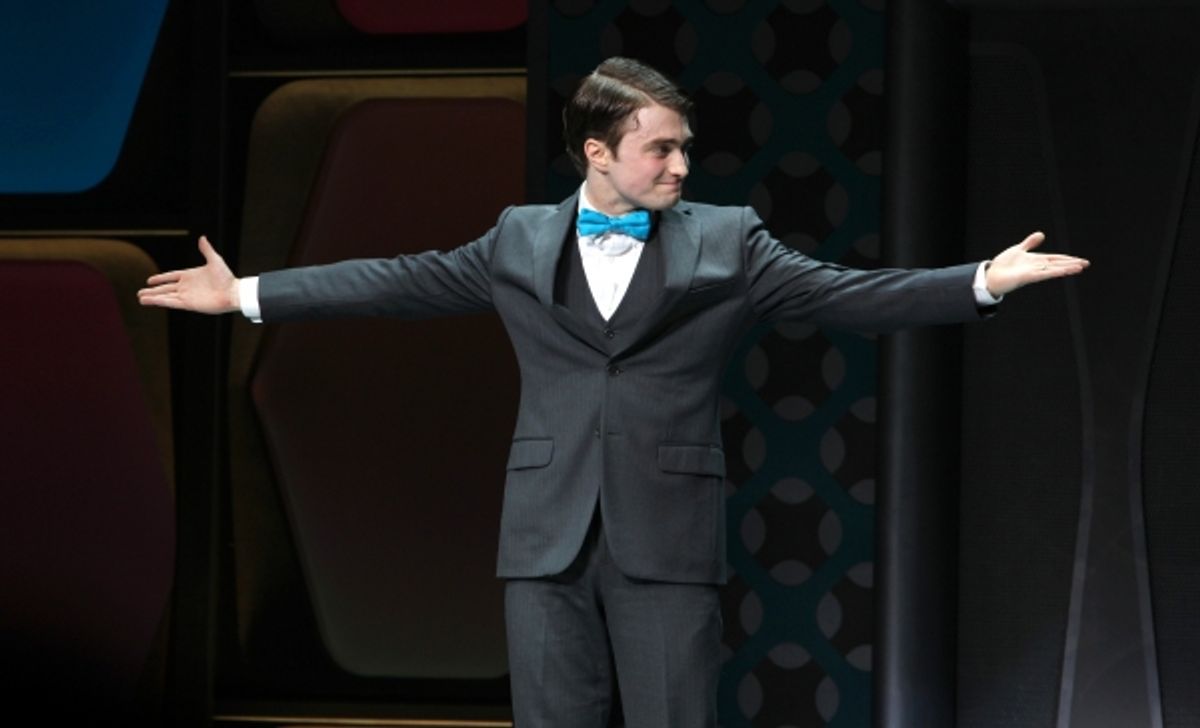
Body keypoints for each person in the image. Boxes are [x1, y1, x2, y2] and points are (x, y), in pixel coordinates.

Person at [139, 56, 1088, 728]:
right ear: (597, 153)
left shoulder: (729, 240)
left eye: (684, 150)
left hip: (665, 527)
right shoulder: (516, 239)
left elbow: (848, 297)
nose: (681, 166)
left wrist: (980, 281)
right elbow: (398, 280)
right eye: (661, 150)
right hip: (545, 529)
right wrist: (249, 295)